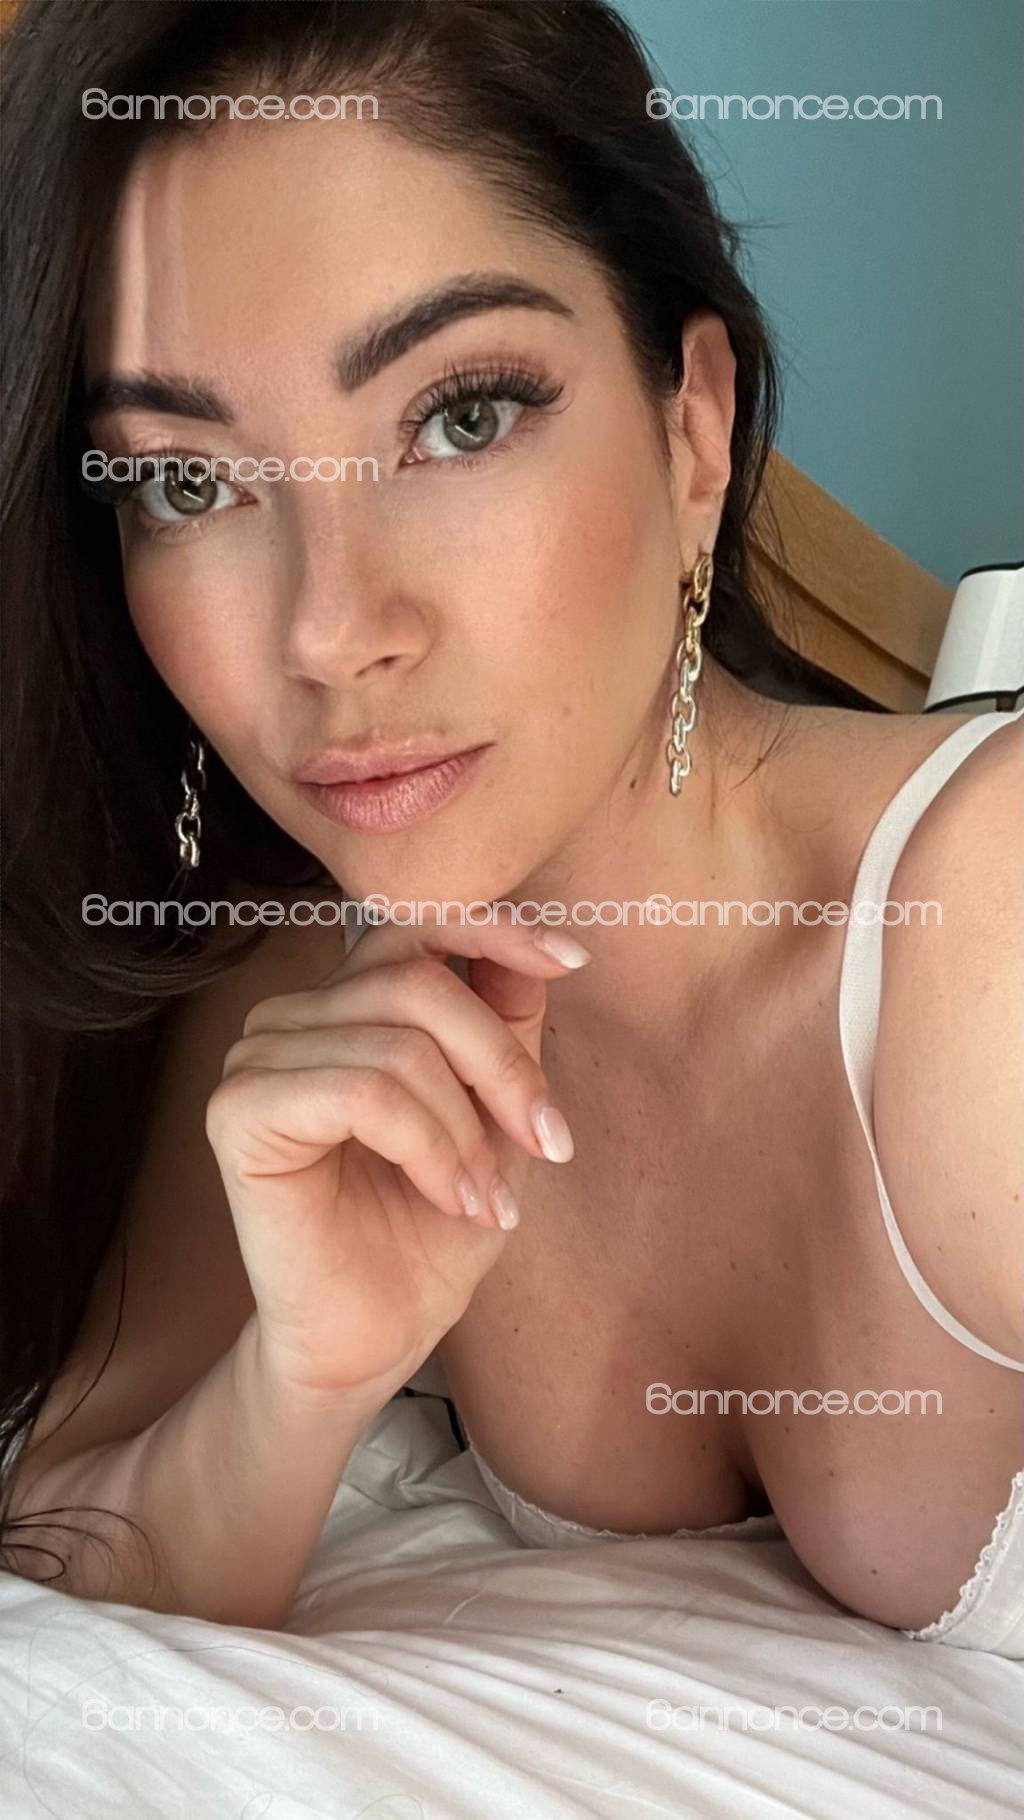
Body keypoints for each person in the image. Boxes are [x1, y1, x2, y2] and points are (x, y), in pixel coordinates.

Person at [1, 0, 1020, 1650]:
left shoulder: (989, 928)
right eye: (187, 483)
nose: (331, 633)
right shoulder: (298, 976)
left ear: (694, 429)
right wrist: (303, 1377)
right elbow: (73, 1557)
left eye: (459, 416)